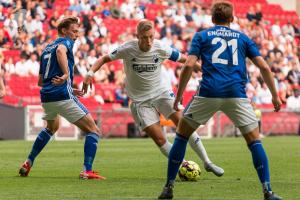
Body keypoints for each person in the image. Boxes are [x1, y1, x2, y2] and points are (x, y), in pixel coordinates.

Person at [158, 2, 282, 200]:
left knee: (181, 136)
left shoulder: (202, 36)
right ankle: (268, 191)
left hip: (208, 92)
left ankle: (168, 187)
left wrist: (180, 94)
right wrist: (275, 95)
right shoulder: (243, 38)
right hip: (236, 94)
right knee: (255, 142)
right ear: (231, 19)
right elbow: (265, 67)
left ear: (212, 19)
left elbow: (189, 64)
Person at [83, 19, 224, 177]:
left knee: (185, 124)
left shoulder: (160, 47)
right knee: (159, 138)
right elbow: (103, 59)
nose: (149, 41)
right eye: (144, 37)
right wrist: (89, 74)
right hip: (140, 101)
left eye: (151, 36)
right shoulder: (128, 49)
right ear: (138, 36)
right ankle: (184, 165)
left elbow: (183, 59)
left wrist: (201, 68)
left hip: (161, 92)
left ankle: (207, 162)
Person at [19, 17, 105, 180]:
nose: (76, 35)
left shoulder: (45, 49)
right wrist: (66, 75)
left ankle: (28, 162)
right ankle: (87, 170)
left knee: (51, 128)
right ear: (64, 31)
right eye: (74, 31)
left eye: (77, 31)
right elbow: (60, 51)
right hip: (61, 95)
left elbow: (40, 81)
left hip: (47, 96)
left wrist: (68, 85)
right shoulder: (65, 43)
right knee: (93, 130)